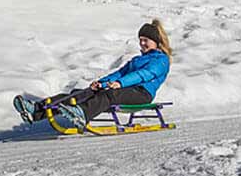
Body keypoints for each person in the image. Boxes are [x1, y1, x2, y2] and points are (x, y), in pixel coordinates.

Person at [14, 20, 172, 130]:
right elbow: (119, 73)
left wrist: (120, 84)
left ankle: (82, 114)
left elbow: (144, 74)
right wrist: (101, 83)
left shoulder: (161, 60)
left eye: (146, 40)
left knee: (110, 94)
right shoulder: (137, 59)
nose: (142, 43)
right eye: (140, 40)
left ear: (156, 41)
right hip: (124, 89)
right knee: (81, 93)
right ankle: (36, 110)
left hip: (142, 94)